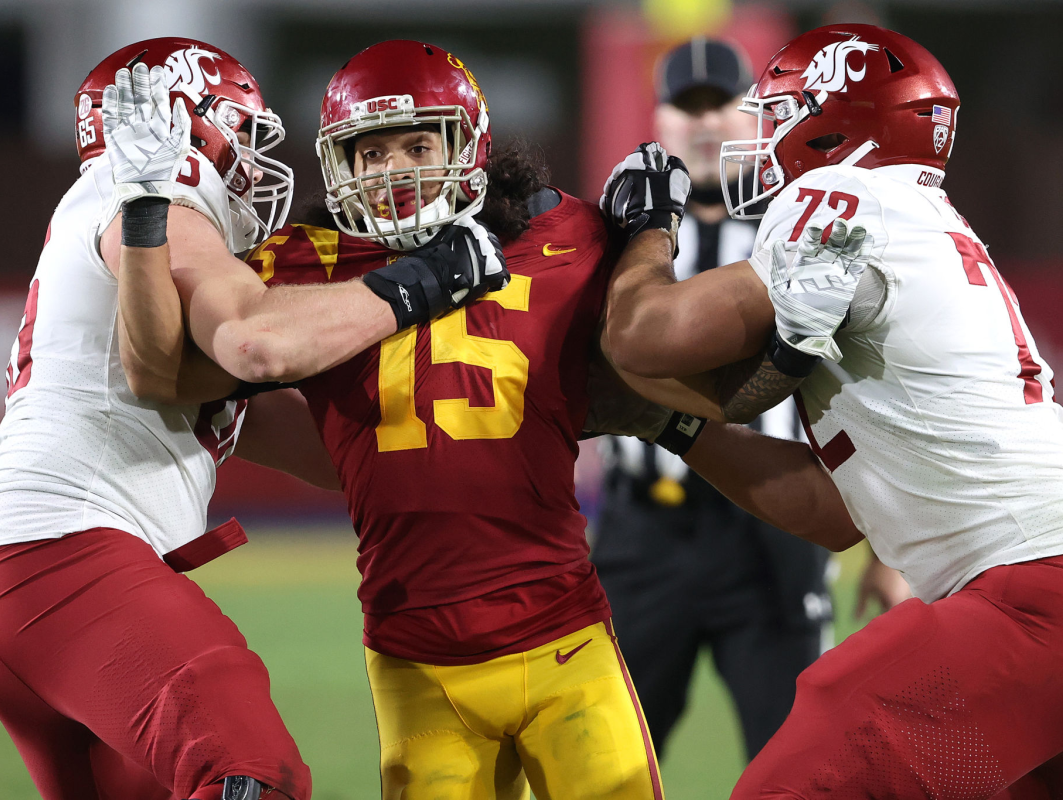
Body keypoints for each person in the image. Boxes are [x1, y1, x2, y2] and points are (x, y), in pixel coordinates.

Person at [121, 38, 711, 800]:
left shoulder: (565, 237)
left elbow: (662, 337)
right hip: (414, 661)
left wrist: (646, 236)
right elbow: (165, 366)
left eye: (416, 142)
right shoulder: (301, 263)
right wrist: (142, 215)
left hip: (564, 636)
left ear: (468, 145)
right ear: (340, 164)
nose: (394, 169)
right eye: (370, 151)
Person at [0, 37, 505, 800]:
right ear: (187, 127)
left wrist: (516, 423)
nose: (252, 161)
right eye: (241, 131)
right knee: (251, 773)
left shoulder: (127, 215)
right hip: (62, 555)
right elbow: (255, 343)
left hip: (1, 576)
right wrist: (427, 281)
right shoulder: (159, 194)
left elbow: (334, 449)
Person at [599, 23, 1063, 798]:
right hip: (1031, 603)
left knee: (796, 776)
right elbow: (833, 511)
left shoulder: (841, 197)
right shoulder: (918, 220)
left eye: (781, 114)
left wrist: (645, 228)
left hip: (1026, 598)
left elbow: (645, 336)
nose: (766, 134)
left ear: (836, 125)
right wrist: (673, 424)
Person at [591, 37, 836, 762]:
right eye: (685, 104)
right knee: (608, 764)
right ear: (660, 119)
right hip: (646, 533)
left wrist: (886, 546)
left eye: (720, 103)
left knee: (800, 763)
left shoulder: (801, 225)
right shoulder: (611, 236)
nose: (704, 122)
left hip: (773, 523)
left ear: (752, 116)